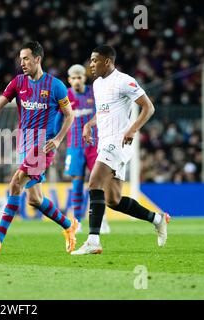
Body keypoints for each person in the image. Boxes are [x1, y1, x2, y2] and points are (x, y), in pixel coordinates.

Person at [0, 41, 78, 254]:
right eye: (20, 58)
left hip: (43, 147)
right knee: (35, 199)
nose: (22, 62)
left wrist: (59, 139)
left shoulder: (56, 86)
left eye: (26, 58)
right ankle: (68, 225)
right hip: (24, 144)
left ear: (38, 59)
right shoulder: (18, 83)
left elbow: (70, 115)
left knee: (15, 183)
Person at [71, 45, 170, 255]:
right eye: (90, 60)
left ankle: (93, 240)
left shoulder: (124, 80)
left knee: (93, 181)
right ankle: (158, 219)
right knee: (113, 200)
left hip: (118, 142)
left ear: (107, 61)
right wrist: (89, 124)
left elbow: (148, 107)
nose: (91, 64)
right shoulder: (97, 85)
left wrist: (133, 129)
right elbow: (103, 112)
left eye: (95, 60)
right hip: (105, 142)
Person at [58, 64, 110, 233]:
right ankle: (78, 221)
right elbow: (58, 119)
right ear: (69, 80)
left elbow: (102, 111)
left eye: (79, 77)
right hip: (74, 147)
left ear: (84, 78)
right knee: (77, 184)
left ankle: (101, 220)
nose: (76, 81)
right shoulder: (64, 96)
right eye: (73, 78)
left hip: (93, 145)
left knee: (97, 183)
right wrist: (54, 137)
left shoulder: (93, 93)